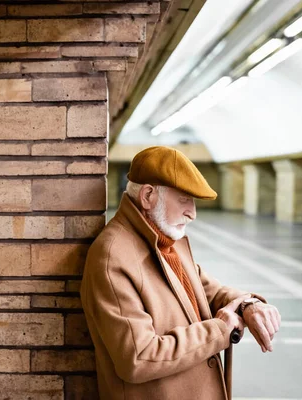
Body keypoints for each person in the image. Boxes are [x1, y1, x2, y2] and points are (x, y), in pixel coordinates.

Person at [80, 146, 281, 400]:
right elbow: (139, 357)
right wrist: (219, 330)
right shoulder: (113, 258)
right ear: (148, 196)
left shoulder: (168, 243)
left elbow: (211, 291)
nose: (192, 213)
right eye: (184, 199)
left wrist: (248, 305)